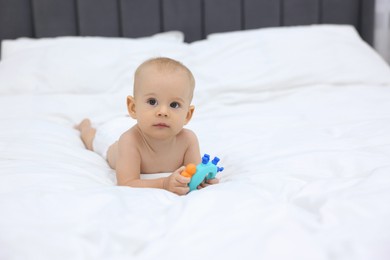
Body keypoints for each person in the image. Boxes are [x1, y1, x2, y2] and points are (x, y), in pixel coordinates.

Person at [76, 57, 219, 195]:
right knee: (91, 140)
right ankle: (85, 126)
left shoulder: (188, 140)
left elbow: (194, 173)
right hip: (111, 135)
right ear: (133, 107)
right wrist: (164, 184)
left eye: (174, 105)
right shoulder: (129, 141)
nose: (163, 112)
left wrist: (202, 181)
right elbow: (127, 183)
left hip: (140, 122)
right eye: (152, 102)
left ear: (188, 115)